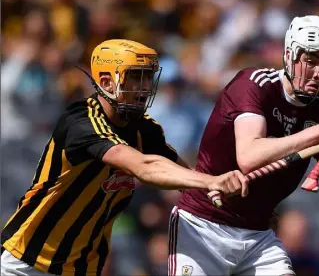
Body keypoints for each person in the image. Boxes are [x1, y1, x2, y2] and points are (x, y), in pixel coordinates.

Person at [170, 16, 319, 276]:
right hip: (203, 225)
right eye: (311, 61)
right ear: (289, 56)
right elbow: (249, 156)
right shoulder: (254, 85)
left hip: (258, 238)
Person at [1, 39, 248, 276]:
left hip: (81, 268)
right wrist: (210, 182)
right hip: (26, 263)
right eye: (134, 78)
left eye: (148, 78)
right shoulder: (81, 121)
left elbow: (185, 177)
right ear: (107, 82)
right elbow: (143, 166)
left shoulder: (145, 129)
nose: (144, 89)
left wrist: (242, 211)